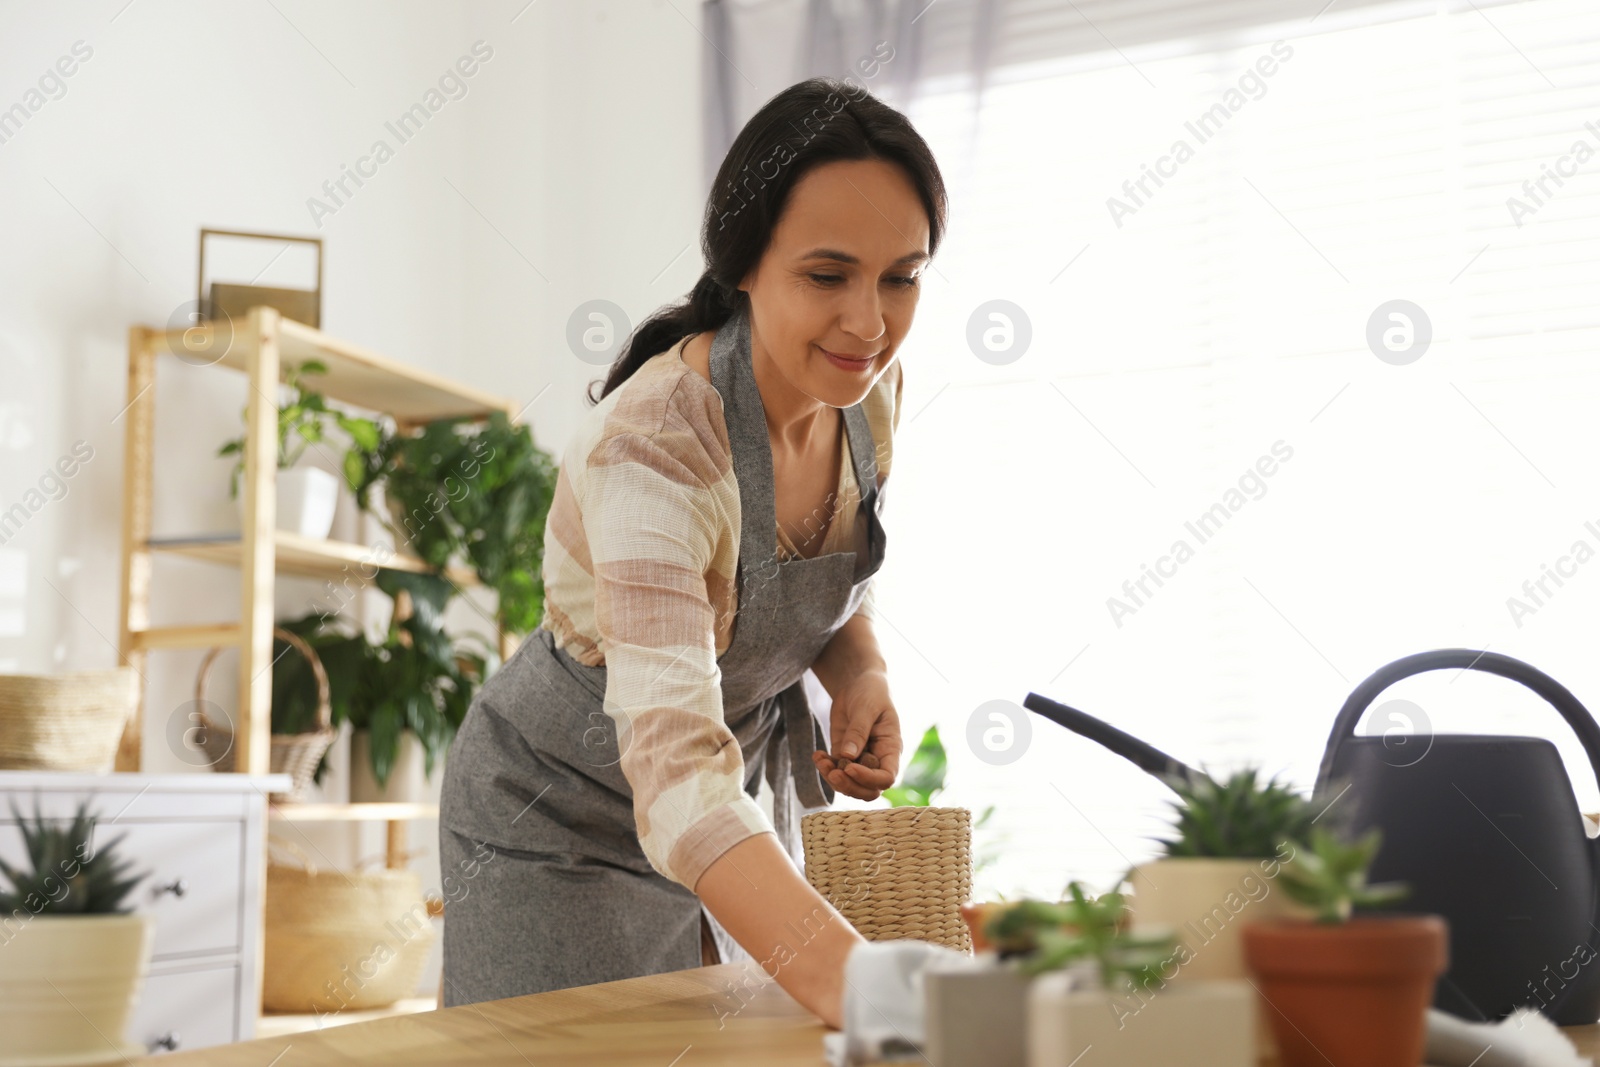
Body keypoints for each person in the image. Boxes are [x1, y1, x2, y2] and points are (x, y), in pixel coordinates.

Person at [437, 75, 949, 1029]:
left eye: (902, 277)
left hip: (724, 790)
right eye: (827, 275)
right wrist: (879, 993)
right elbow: (672, 772)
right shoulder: (657, 449)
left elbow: (809, 566)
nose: (870, 323)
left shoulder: (869, 393)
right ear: (745, 262)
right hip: (564, 813)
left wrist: (858, 667)